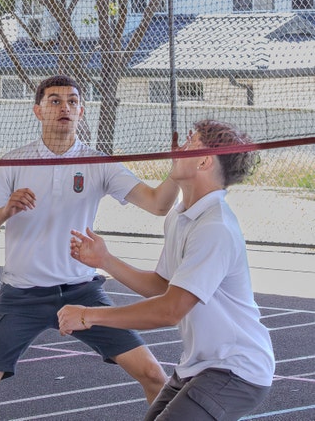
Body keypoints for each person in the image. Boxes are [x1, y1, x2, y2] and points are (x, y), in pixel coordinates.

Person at [0, 75, 180, 420]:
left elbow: (158, 205)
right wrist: (5, 211)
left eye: (72, 101)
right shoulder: (15, 162)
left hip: (82, 292)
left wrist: (180, 168)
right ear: (37, 111)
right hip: (21, 296)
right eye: (55, 100)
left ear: (82, 112)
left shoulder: (97, 163)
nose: (65, 107)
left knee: (154, 376)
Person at [58, 119, 274, 420]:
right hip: (199, 365)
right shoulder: (180, 216)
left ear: (203, 160)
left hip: (236, 369)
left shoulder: (215, 228)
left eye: (189, 143)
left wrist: (89, 315)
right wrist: (105, 261)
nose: (177, 150)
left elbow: (170, 310)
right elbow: (164, 285)